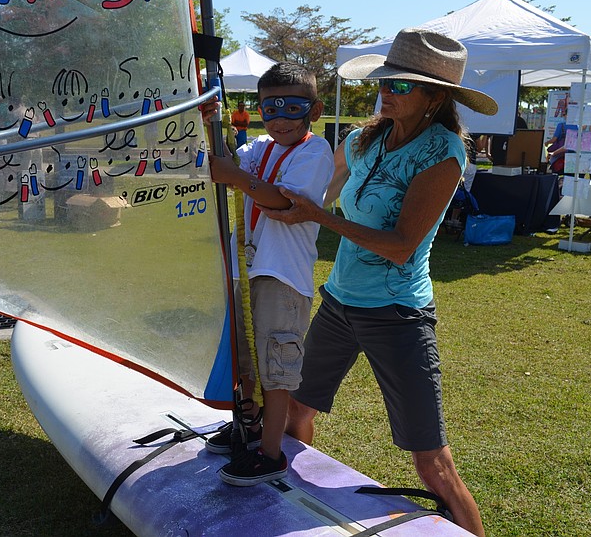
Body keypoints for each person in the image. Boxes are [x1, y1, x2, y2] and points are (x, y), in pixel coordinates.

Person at [259, 28, 496, 536]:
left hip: (396, 313)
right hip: (340, 301)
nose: (387, 91)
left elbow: (401, 244)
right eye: (386, 81)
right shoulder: (364, 136)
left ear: (436, 97)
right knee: (296, 409)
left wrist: (318, 218)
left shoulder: (444, 152)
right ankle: (298, 510)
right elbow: (307, 185)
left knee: (431, 463)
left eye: (403, 86)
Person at [201, 62, 334, 486]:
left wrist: (237, 177)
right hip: (248, 267)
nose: (279, 119)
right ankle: (250, 425)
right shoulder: (259, 147)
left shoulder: (315, 152)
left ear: (313, 111)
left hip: (283, 275)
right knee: (244, 359)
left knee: (277, 365)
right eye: (269, 108)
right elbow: (223, 158)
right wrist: (210, 121)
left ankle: (272, 453)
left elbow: (283, 202)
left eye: (292, 108)